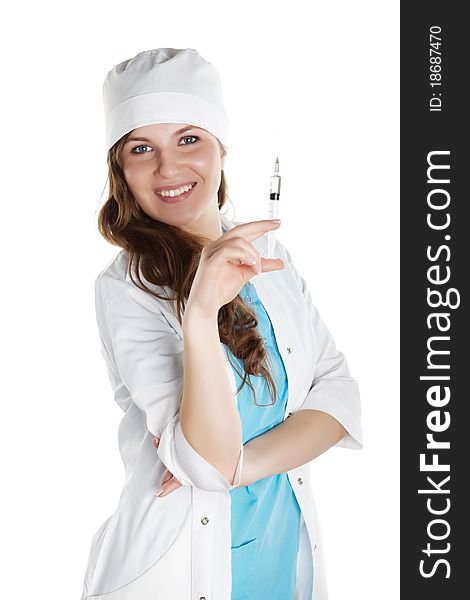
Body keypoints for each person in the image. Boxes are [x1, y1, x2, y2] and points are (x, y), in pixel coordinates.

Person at [80, 47, 363, 600]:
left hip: (281, 558)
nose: (169, 168)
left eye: (189, 138)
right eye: (143, 149)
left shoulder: (269, 256)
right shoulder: (124, 289)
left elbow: (340, 397)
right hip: (174, 566)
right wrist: (201, 312)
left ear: (220, 146)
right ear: (122, 169)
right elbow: (206, 463)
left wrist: (244, 465)